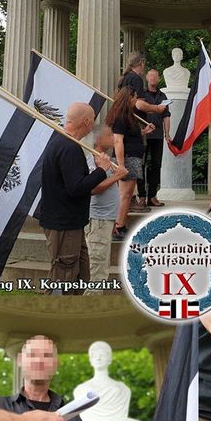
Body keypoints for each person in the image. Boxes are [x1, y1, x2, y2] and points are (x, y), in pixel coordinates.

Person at [39, 102, 112, 295]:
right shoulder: (69, 146)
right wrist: (101, 170)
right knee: (64, 274)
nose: (94, 125)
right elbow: (76, 188)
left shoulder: (61, 141)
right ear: (87, 122)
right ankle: (52, 318)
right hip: (64, 223)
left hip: (70, 221)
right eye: (93, 120)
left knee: (81, 274)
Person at [119, 51, 168, 212]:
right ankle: (135, 199)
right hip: (133, 127)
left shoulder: (124, 78)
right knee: (135, 164)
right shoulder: (136, 79)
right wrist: (156, 108)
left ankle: (135, 199)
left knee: (134, 165)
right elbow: (139, 105)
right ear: (142, 64)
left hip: (130, 128)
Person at [83, 124, 128, 294]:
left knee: (102, 264)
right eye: (109, 135)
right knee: (98, 265)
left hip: (106, 220)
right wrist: (116, 176)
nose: (113, 138)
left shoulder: (107, 161)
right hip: (98, 220)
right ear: (97, 139)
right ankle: (91, 304)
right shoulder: (93, 160)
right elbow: (93, 189)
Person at [106, 87, 155, 241]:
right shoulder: (121, 116)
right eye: (135, 97)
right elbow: (118, 141)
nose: (136, 100)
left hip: (131, 158)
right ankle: (118, 227)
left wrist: (144, 132)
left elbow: (130, 136)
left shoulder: (128, 116)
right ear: (129, 98)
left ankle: (121, 224)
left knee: (127, 195)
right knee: (125, 195)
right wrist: (121, 165)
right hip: (127, 159)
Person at [136, 69, 170, 207]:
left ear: (158, 78)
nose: (153, 78)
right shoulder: (141, 95)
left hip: (157, 136)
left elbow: (166, 116)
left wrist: (167, 134)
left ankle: (152, 196)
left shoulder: (163, 96)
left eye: (155, 76)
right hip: (143, 135)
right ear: (147, 77)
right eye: (150, 76)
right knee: (141, 165)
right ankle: (142, 196)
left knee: (156, 165)